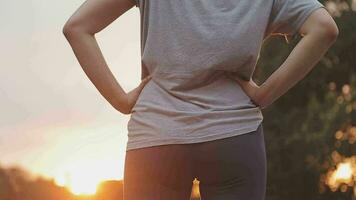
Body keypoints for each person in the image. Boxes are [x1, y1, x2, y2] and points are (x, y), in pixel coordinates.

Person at [62, 0, 338, 199]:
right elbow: (324, 28)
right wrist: (265, 93)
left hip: (156, 136)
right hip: (234, 134)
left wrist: (121, 101)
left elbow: (77, 27)